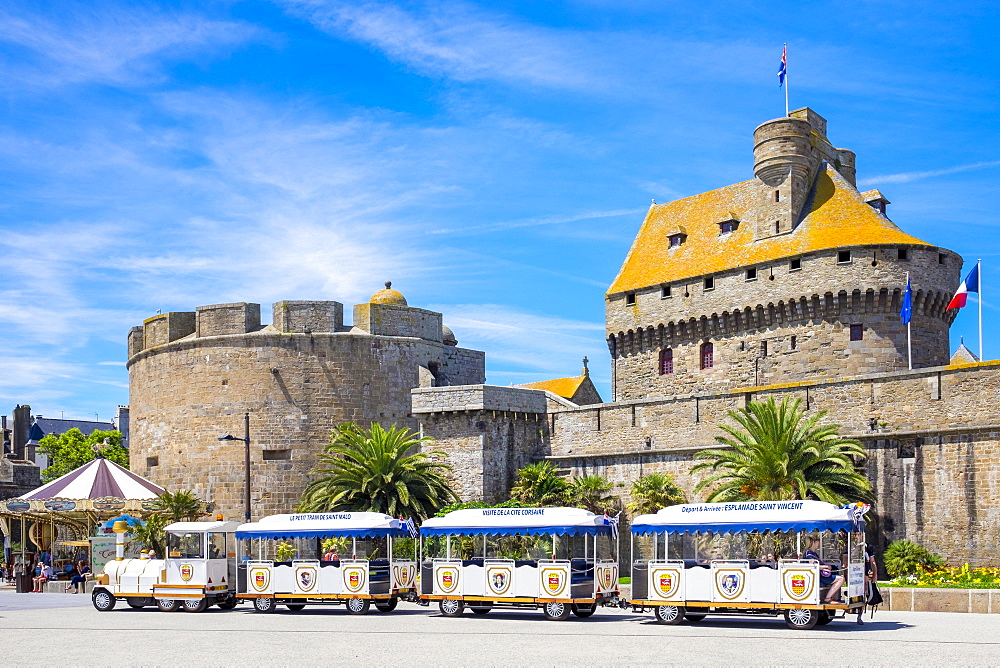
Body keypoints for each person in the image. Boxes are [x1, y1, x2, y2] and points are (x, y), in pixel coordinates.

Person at [803, 537, 845, 603]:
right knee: (841, 579)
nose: (819, 543)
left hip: (819, 574)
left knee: (839, 576)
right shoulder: (809, 554)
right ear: (814, 542)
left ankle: (830, 597)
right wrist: (826, 567)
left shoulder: (813, 553)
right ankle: (828, 598)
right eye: (818, 541)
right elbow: (813, 566)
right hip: (819, 576)